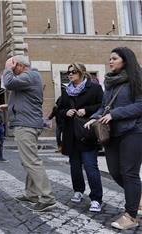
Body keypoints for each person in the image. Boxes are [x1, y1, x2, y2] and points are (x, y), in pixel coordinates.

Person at [85, 47, 142, 230]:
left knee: (129, 172)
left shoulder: (137, 79)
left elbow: (140, 106)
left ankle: (131, 215)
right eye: (109, 58)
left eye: (114, 58)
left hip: (133, 131)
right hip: (112, 133)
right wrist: (94, 117)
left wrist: (115, 114)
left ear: (125, 60)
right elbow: (104, 107)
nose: (110, 61)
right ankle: (138, 197)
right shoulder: (110, 83)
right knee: (115, 172)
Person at [0, 55, 56, 212]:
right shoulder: (28, 77)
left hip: (26, 125)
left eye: (13, 67)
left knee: (31, 161)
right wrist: (8, 106)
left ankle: (47, 197)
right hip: (27, 123)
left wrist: (7, 67)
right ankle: (31, 194)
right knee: (29, 160)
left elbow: (9, 83)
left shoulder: (30, 75)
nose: (12, 70)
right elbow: (25, 99)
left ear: (20, 65)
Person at [58, 63, 104, 212]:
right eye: (68, 72)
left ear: (82, 73)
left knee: (91, 167)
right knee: (75, 167)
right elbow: (58, 110)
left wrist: (87, 110)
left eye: (74, 72)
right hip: (71, 135)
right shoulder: (66, 91)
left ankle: (96, 198)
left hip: (87, 133)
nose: (70, 74)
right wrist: (66, 112)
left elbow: (102, 106)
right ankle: (78, 190)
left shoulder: (95, 88)